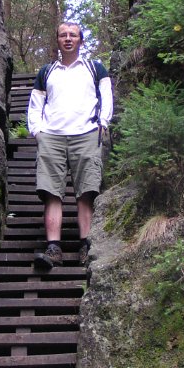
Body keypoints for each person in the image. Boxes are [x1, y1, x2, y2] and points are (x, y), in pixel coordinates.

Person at [27, 22, 113, 270]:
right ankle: (54, 249)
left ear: (80, 40)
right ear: (57, 40)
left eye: (72, 35)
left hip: (86, 134)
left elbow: (106, 96)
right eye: (63, 35)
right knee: (51, 193)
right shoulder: (47, 72)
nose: (67, 39)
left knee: (86, 192)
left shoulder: (94, 68)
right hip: (52, 136)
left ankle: (86, 246)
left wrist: (103, 123)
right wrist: (37, 131)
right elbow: (36, 104)